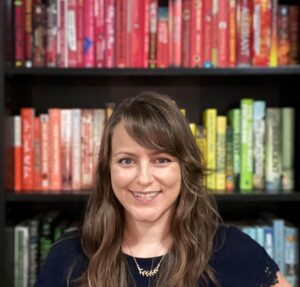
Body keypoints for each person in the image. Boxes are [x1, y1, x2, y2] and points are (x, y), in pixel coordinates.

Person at [35, 91, 291, 287]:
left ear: (184, 167)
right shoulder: (67, 257)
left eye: (162, 160)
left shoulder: (235, 251)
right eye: (127, 160)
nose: (144, 179)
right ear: (107, 170)